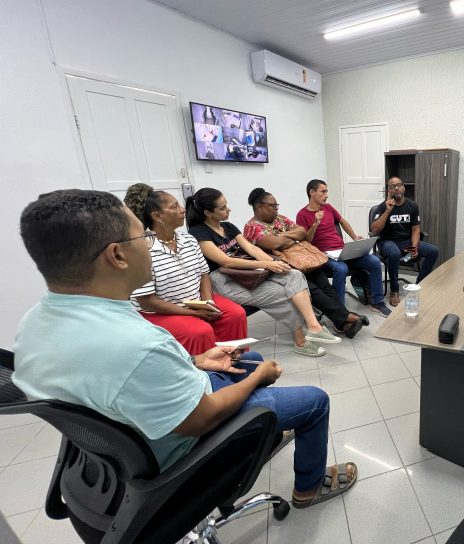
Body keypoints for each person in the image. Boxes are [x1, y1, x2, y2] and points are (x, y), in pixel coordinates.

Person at [12, 189, 357, 508]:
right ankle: (308, 487)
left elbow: (133, 376)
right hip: (186, 446)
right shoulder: (138, 344)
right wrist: (259, 378)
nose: (149, 245)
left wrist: (197, 360)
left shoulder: (32, 326)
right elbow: (201, 417)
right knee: (313, 399)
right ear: (117, 255)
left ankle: (262, 436)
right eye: (141, 237)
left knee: (247, 357)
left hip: (119, 453)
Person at [185, 187, 341, 358]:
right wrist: (267, 264)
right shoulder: (198, 232)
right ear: (208, 213)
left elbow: (251, 249)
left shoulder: (228, 227)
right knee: (283, 294)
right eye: (222, 208)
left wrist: (274, 263)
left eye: (226, 205)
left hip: (247, 272)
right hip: (224, 280)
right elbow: (225, 261)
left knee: (295, 275)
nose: (228, 209)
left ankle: (313, 326)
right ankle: (301, 342)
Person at [123, 183, 246, 356]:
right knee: (199, 331)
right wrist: (193, 313)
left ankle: (235, 360)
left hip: (196, 302)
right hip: (158, 312)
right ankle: (206, 369)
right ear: (157, 216)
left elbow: (204, 274)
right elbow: (147, 301)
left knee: (235, 314)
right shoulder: (142, 249)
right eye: (175, 207)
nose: (182, 210)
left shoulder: (189, 240)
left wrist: (208, 303)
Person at [243, 188, 367, 338]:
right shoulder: (252, 227)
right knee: (312, 289)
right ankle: (346, 317)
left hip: (302, 260)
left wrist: (283, 236)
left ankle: (343, 323)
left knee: (325, 286)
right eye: (273, 206)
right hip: (282, 268)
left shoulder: (280, 218)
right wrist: (290, 239)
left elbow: (302, 232)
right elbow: (275, 244)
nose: (276, 209)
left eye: (277, 205)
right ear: (259, 206)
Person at [296, 179, 391, 317]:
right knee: (341, 269)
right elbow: (305, 242)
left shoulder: (328, 208)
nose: (327, 195)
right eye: (323, 191)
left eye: (327, 191)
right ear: (312, 192)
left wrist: (354, 237)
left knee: (374, 261)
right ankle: (340, 312)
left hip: (341, 250)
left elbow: (343, 222)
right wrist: (315, 223)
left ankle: (377, 302)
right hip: (323, 255)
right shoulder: (302, 215)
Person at [370, 176, 439, 307]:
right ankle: (394, 289)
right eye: (393, 186)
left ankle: (419, 283)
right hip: (387, 242)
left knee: (433, 251)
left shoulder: (412, 206)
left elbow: (416, 229)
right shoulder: (382, 207)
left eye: (399, 185)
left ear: (404, 188)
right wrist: (387, 211)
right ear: (389, 190)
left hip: (406, 242)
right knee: (394, 253)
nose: (397, 188)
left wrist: (414, 247)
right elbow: (374, 230)